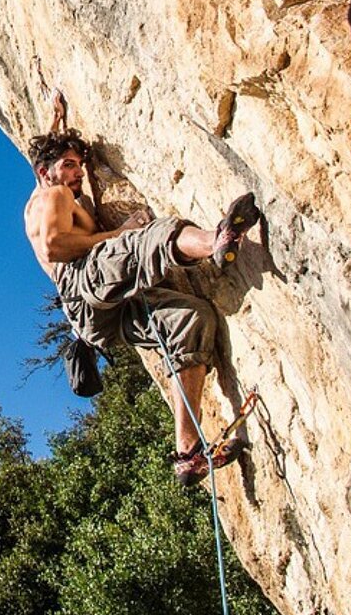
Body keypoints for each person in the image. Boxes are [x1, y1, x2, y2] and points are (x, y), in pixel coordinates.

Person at [23, 124, 261, 486]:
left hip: (92, 320)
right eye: (69, 165)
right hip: (81, 279)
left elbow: (43, 162)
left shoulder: (40, 199)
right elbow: (54, 246)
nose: (77, 173)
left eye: (79, 167)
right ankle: (216, 240)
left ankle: (188, 452)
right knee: (143, 241)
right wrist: (118, 234)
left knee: (190, 319)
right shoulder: (55, 194)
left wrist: (57, 117)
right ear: (47, 171)